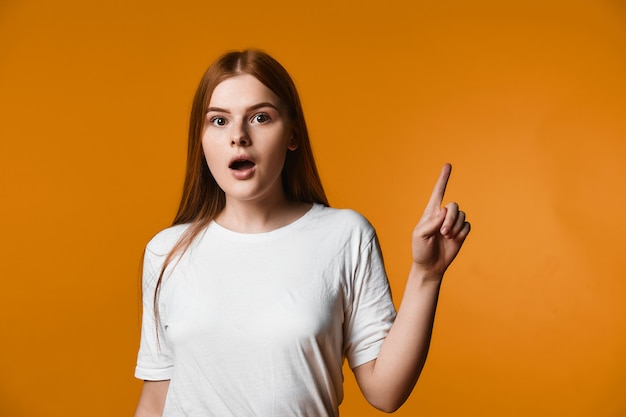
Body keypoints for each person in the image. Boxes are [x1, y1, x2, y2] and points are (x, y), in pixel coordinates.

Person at [133, 49, 470, 417]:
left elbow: (385, 392)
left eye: (260, 117)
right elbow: (156, 400)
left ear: (292, 135)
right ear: (200, 139)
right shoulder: (166, 252)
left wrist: (427, 275)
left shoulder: (345, 236)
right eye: (219, 121)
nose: (239, 137)